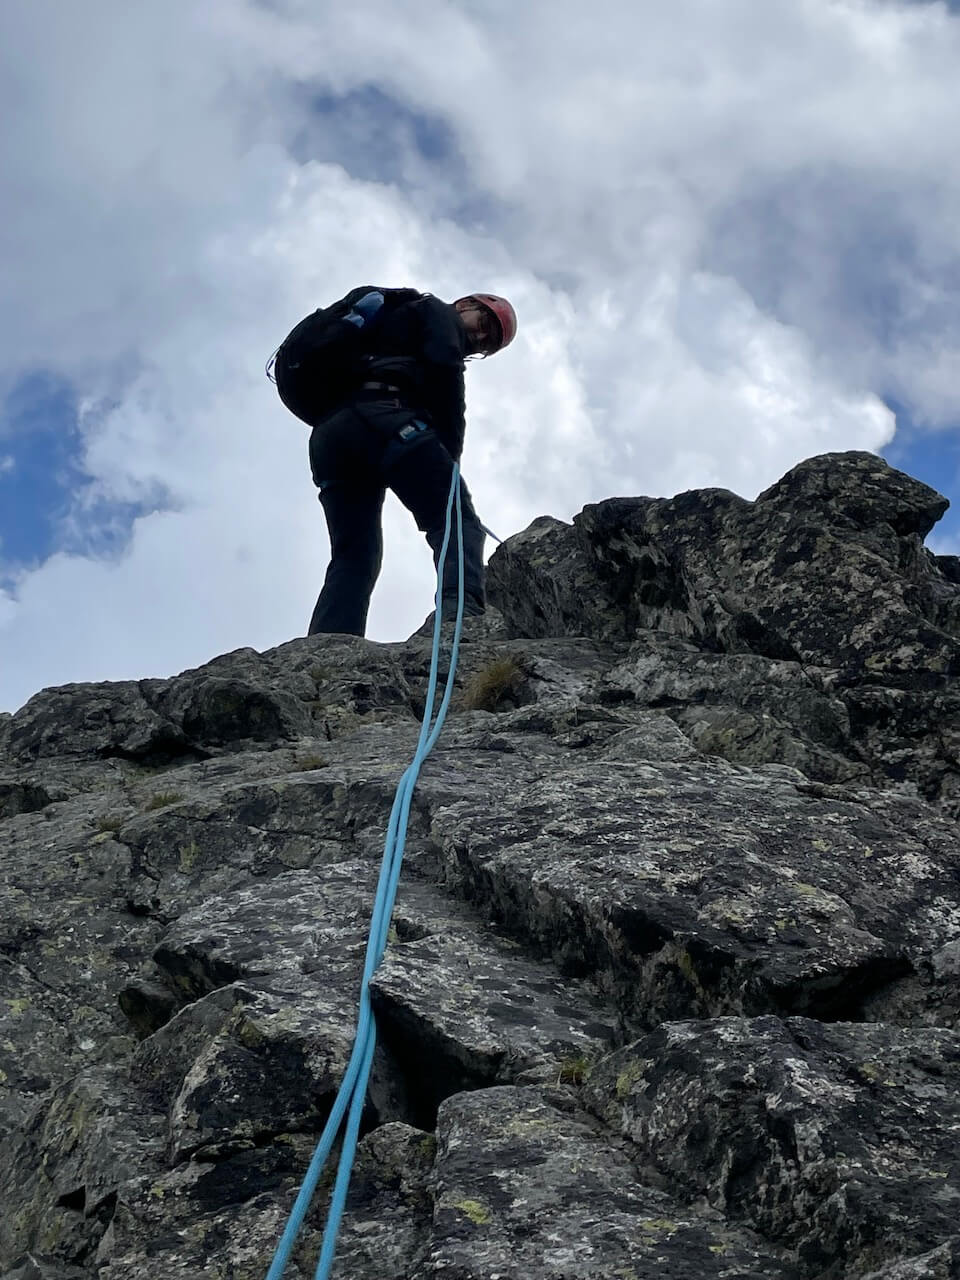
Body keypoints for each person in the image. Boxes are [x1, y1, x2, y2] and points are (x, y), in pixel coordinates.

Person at [275, 288, 517, 637]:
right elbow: (446, 372)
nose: (480, 339)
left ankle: (329, 644)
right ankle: (461, 621)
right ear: (465, 304)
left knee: (356, 555)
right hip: (387, 421)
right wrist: (450, 458)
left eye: (488, 343)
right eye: (484, 325)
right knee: (457, 520)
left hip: (331, 437)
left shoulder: (389, 324)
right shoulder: (437, 311)